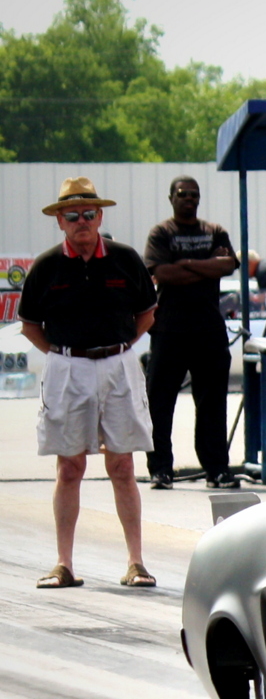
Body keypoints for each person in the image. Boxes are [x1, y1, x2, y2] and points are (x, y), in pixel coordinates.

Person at [17, 177, 159, 589]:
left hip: (117, 364)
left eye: (89, 213)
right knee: (69, 466)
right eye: (73, 215)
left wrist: (117, 348)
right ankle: (64, 564)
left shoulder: (125, 259)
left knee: (122, 465)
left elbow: (147, 314)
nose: (82, 222)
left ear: (100, 216)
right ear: (60, 221)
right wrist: (65, 357)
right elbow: (29, 326)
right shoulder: (46, 267)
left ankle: (136, 562)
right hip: (67, 368)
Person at [142, 176, 241, 490]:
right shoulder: (161, 233)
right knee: (160, 401)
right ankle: (161, 469)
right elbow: (162, 273)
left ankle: (216, 469)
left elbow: (227, 265)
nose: (189, 199)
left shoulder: (214, 231)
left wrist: (184, 263)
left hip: (209, 329)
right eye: (183, 194)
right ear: (171, 197)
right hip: (169, 328)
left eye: (194, 195)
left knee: (212, 403)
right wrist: (204, 264)